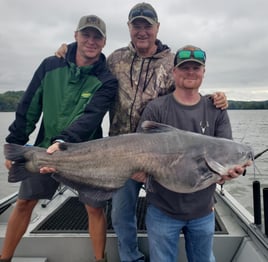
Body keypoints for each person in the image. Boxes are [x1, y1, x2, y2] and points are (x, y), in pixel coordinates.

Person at [54, 3, 229, 261]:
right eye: (137, 26)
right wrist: (68, 51)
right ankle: (131, 257)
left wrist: (215, 98)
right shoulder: (114, 59)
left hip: (162, 156)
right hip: (119, 153)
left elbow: (187, 91)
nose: (142, 31)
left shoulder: (172, 62)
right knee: (121, 213)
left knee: (166, 207)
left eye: (148, 26)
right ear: (129, 28)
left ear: (157, 28)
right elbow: (88, 62)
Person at [0, 15, 117, 262]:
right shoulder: (50, 65)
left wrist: (62, 141)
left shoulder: (107, 80)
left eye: (97, 37)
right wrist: (15, 141)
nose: (91, 41)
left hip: (87, 154)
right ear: (75, 35)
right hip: (44, 150)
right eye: (86, 34)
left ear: (104, 42)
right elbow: (29, 105)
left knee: (95, 208)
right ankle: (5, 257)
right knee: (24, 202)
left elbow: (92, 117)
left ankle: (100, 259)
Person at [136, 44, 251, 262]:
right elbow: (139, 153)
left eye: (196, 68)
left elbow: (227, 152)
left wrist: (230, 173)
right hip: (162, 210)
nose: (190, 72)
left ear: (203, 72)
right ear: (174, 72)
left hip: (203, 211)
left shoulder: (216, 108)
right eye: (184, 67)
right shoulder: (156, 109)